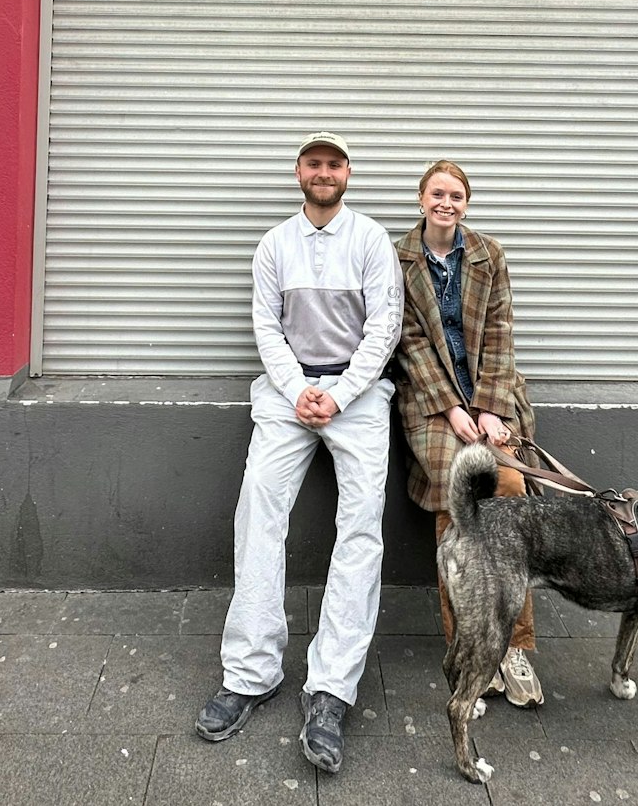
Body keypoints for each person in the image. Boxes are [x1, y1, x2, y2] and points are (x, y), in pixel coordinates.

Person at [195, 132, 402, 775]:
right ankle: (251, 673)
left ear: (347, 174)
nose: (323, 172)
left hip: (359, 395)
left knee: (361, 525)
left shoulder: (370, 240)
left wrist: (338, 395)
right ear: (298, 172)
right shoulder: (274, 244)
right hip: (288, 393)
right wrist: (298, 390)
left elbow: (384, 326)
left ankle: (331, 689)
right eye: (313, 163)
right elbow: (265, 326)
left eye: (333, 163)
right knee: (258, 504)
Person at [392, 159, 544, 707]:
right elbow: (407, 341)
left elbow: (501, 335)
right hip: (431, 406)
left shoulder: (488, 256)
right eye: (437, 193)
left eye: (456, 195)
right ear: (421, 199)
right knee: (457, 499)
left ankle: (513, 646)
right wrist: (455, 409)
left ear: (466, 202)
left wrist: (490, 408)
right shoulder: (398, 258)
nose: (446, 203)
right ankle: (467, 650)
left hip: (492, 400)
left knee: (506, 489)